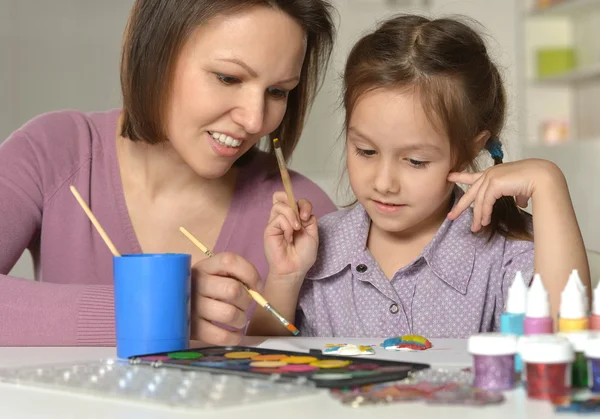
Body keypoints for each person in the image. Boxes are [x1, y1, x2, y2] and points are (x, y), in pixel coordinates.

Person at [0, 0, 337, 346]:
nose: (255, 120)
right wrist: (163, 311)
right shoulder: (54, 152)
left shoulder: (305, 217)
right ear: (155, 53)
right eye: (228, 77)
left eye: (278, 91)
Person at [248, 15, 590, 338]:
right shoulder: (316, 249)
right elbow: (263, 367)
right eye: (366, 151)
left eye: (415, 161)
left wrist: (548, 182)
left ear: (470, 150)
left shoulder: (508, 251)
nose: (384, 182)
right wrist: (286, 279)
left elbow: (565, 346)